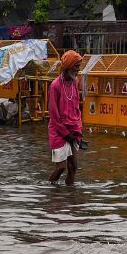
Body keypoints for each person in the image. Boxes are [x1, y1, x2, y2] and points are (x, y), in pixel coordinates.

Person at [47, 50, 83, 186]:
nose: (78, 70)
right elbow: (54, 115)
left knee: (73, 167)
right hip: (58, 130)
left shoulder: (75, 82)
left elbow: (77, 108)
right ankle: (50, 189)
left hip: (73, 129)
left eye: (79, 67)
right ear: (68, 66)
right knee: (61, 167)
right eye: (76, 67)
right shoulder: (55, 85)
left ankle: (70, 195)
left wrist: (80, 128)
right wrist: (65, 134)